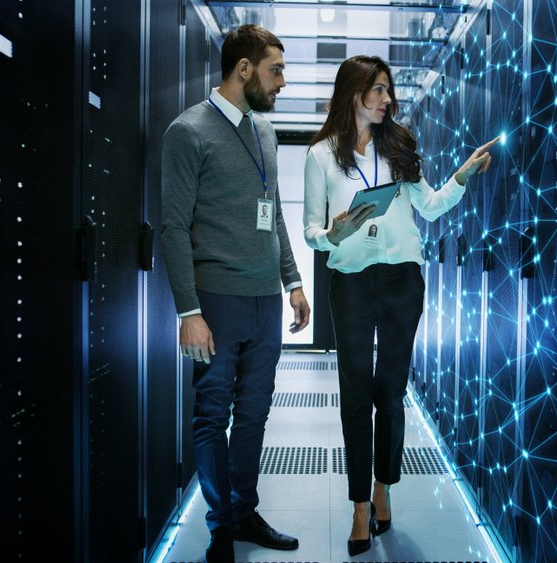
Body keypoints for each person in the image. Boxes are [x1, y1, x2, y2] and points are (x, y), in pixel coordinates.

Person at [302, 55, 497, 556]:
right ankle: (359, 507)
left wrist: (461, 176)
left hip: (402, 282)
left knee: (390, 392)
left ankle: (382, 489)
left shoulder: (400, 147)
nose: (389, 100)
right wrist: (332, 233)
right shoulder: (322, 155)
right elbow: (309, 230)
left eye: (389, 91)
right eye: (380, 90)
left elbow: (428, 207)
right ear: (355, 93)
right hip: (348, 283)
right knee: (354, 397)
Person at [161, 24, 310, 563]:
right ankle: (221, 523)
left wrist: (293, 282)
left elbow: (274, 221)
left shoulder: (263, 132)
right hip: (215, 301)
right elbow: (173, 228)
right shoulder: (188, 132)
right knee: (212, 412)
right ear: (243, 69)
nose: (282, 82)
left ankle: (244, 511)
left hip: (264, 301)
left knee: (254, 414)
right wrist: (189, 311)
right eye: (275, 70)